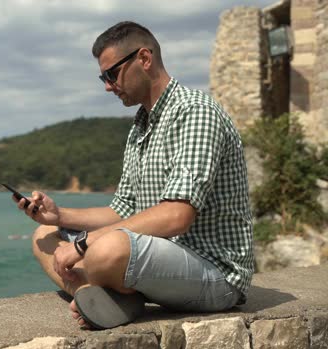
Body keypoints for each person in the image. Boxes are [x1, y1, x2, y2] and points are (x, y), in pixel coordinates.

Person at [14, 21, 254, 329]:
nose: (107, 86)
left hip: (215, 272)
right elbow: (122, 210)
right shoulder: (141, 125)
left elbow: (177, 216)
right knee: (44, 237)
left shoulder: (195, 111)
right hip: (158, 259)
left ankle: (109, 290)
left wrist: (84, 245)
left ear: (144, 59)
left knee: (107, 249)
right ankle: (94, 294)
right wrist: (58, 215)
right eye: (103, 77)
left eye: (111, 74)